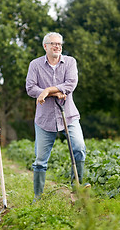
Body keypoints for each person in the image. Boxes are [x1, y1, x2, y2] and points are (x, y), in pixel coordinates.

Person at [26, 32, 90, 201]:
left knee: (79, 148)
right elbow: (31, 88)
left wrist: (47, 91)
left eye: (59, 44)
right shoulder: (35, 65)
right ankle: (37, 197)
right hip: (44, 119)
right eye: (53, 43)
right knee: (40, 159)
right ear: (45, 46)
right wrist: (54, 92)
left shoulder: (70, 62)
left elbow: (70, 84)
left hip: (68, 116)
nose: (57, 47)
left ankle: (77, 188)